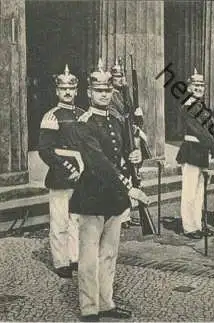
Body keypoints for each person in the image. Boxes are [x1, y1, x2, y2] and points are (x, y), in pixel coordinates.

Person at [69, 58, 150, 321]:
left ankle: (106, 303)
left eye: (108, 90)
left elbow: (125, 151)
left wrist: (137, 154)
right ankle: (89, 307)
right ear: (89, 93)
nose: (104, 94)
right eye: (99, 91)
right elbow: (98, 163)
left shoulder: (116, 121)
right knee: (89, 255)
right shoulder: (83, 123)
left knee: (109, 254)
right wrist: (129, 189)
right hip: (93, 195)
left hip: (113, 198)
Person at [38, 64, 84, 278]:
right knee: (60, 220)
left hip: (82, 173)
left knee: (78, 218)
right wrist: (67, 168)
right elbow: (45, 150)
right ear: (57, 91)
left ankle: (75, 257)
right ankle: (61, 261)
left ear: (76, 90)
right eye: (63, 88)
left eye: (71, 88)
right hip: (60, 175)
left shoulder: (84, 115)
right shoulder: (51, 116)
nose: (67, 92)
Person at [176, 68, 214, 239]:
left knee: (200, 192)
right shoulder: (188, 106)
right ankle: (189, 227)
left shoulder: (200, 106)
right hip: (192, 150)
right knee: (190, 192)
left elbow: (209, 128)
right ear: (189, 87)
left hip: (202, 151)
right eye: (195, 85)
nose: (199, 88)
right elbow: (199, 131)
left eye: (201, 85)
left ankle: (198, 224)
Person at [108, 59, 146, 228]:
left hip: (129, 135)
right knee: (122, 173)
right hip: (119, 137)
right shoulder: (110, 95)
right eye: (117, 76)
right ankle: (120, 216)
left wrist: (138, 115)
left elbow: (132, 116)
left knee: (132, 175)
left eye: (122, 75)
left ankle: (127, 215)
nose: (120, 79)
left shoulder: (125, 93)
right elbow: (117, 115)